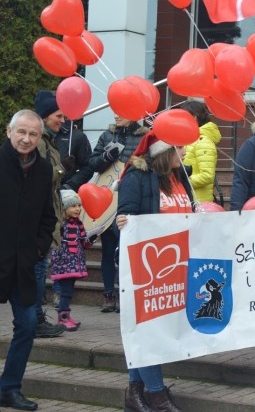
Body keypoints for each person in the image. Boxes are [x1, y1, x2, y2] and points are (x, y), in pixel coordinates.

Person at [116, 131, 193, 411]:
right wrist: (124, 221)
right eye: (180, 147)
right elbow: (124, 219)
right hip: (146, 268)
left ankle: (135, 394)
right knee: (148, 328)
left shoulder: (179, 177)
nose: (185, 152)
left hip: (175, 265)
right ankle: (156, 394)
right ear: (165, 152)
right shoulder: (136, 178)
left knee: (148, 329)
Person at [0, 110, 58, 411]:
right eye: (21, 132)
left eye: (33, 134)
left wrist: (39, 248)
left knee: (26, 325)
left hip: (26, 264)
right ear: (9, 131)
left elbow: (48, 216)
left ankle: (9, 388)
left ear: (39, 137)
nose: (26, 139)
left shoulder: (44, 169)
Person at [89, 114, 150, 313]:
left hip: (131, 199)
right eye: (114, 110)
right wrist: (106, 157)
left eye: (122, 111)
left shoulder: (145, 135)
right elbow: (93, 163)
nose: (116, 114)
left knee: (126, 250)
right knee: (108, 249)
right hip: (108, 198)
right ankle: (108, 294)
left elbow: (150, 164)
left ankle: (126, 293)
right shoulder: (107, 135)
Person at [33, 90, 67, 338]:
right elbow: (42, 177)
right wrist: (62, 170)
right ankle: (35, 320)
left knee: (40, 268)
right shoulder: (41, 142)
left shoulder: (48, 141)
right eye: (59, 115)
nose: (63, 120)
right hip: (39, 218)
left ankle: (35, 317)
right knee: (38, 268)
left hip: (46, 215)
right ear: (45, 117)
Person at [50, 190, 90, 332]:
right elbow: (56, 244)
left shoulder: (78, 223)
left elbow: (83, 243)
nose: (77, 209)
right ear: (64, 208)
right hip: (64, 263)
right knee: (66, 291)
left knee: (69, 291)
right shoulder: (60, 225)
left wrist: (90, 239)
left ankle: (66, 315)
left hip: (74, 263)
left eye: (79, 205)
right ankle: (63, 318)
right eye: (73, 206)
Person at [176, 100, 221, 204]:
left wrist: (181, 181)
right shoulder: (191, 139)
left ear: (194, 117)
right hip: (189, 199)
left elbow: (207, 175)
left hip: (199, 202)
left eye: (184, 117)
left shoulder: (202, 141)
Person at [55, 119, 95, 192]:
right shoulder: (37, 134)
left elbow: (88, 167)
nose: (61, 119)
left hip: (64, 192)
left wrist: (69, 186)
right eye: (58, 116)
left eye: (60, 115)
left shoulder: (77, 136)